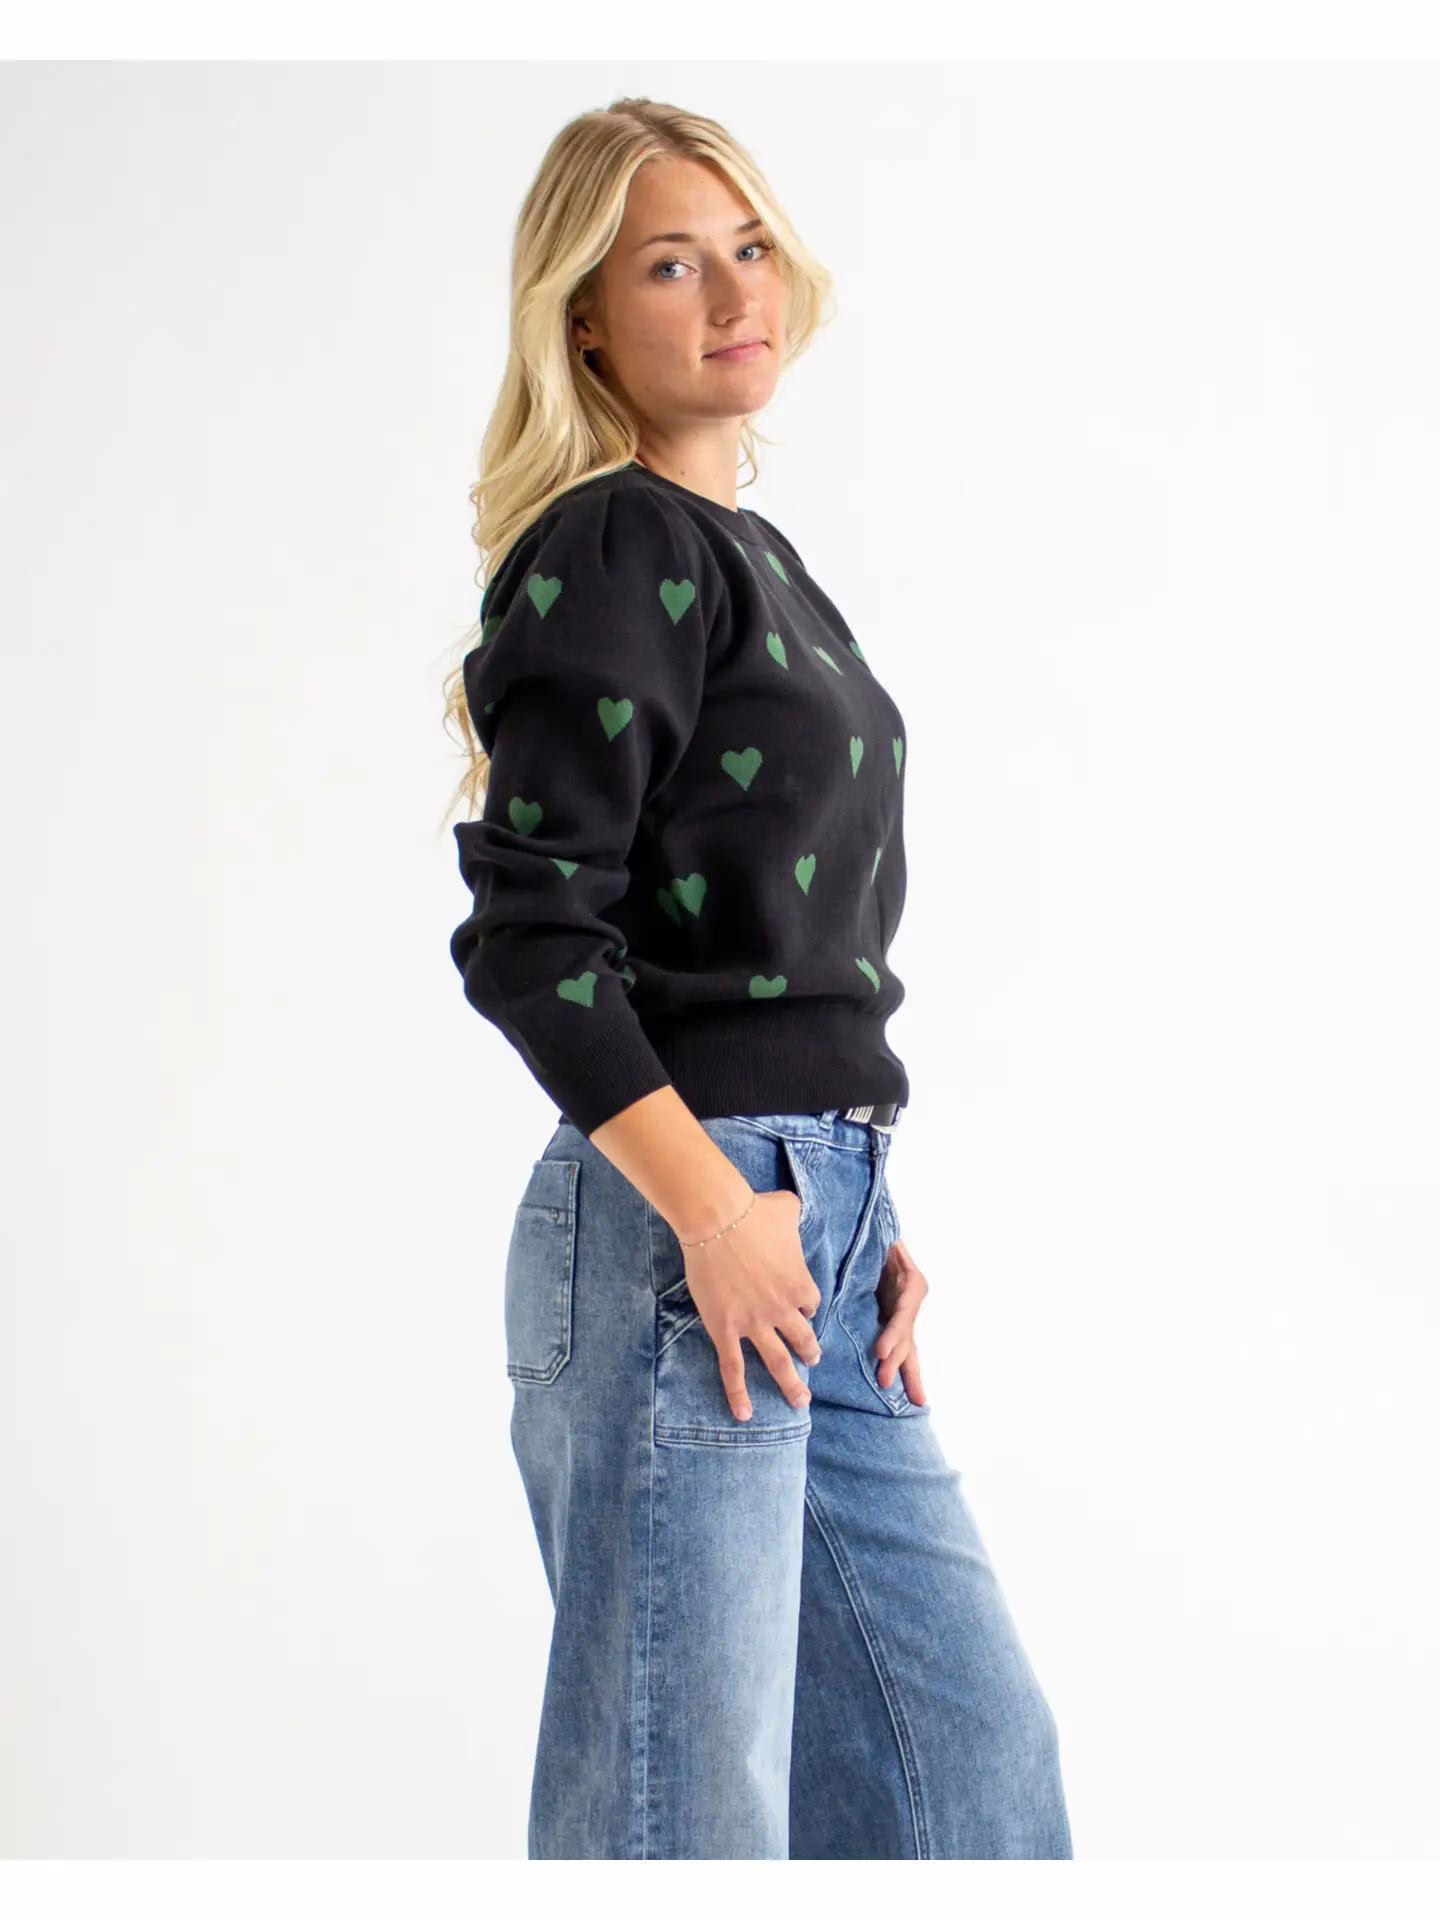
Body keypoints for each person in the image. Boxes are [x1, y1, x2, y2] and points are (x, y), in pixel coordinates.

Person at [442, 96, 1073, 1861]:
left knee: (972, 1786)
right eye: (670, 263)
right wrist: (723, 1208)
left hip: (811, 1225)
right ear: (584, 319)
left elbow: (776, 950)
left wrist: (857, 1208)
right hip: (687, 1224)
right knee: (687, 1828)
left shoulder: (754, 558)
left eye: (749, 247)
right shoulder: (615, 541)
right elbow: (531, 937)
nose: (735, 291)